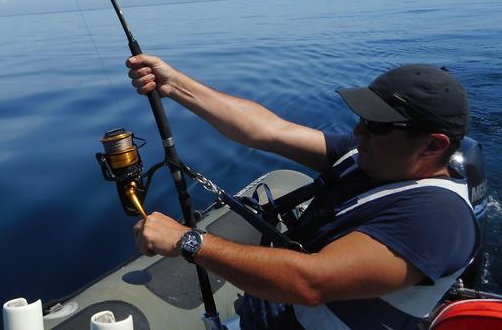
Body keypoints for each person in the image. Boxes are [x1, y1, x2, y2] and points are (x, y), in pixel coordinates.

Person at [127, 54, 479, 330]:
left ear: (433, 146)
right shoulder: (366, 158)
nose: (359, 131)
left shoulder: (438, 218)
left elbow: (310, 282)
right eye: (362, 119)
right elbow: (269, 130)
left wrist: (189, 241)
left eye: (377, 125)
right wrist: (174, 85)